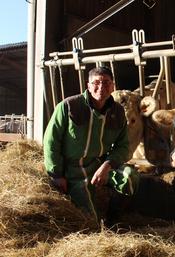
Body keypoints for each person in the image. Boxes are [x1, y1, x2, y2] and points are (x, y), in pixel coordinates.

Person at [43, 66, 139, 223]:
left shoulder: (118, 112)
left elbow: (123, 146)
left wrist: (107, 165)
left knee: (130, 178)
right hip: (74, 171)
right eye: (96, 82)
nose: (101, 87)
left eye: (106, 82)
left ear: (113, 86)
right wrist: (56, 174)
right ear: (88, 86)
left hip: (100, 165)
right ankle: (97, 220)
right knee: (90, 220)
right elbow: (51, 141)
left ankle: (113, 217)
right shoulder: (68, 106)